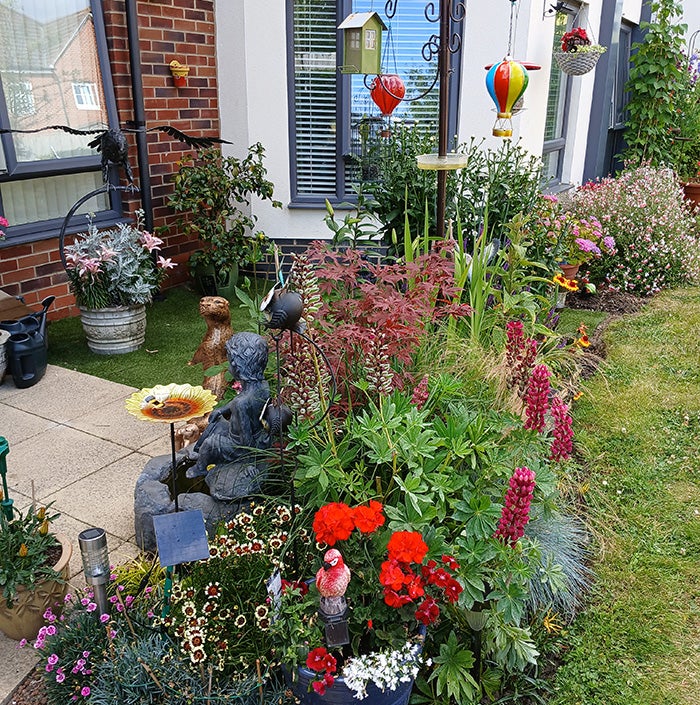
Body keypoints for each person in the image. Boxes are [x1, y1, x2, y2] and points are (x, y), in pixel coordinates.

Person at [186, 332, 271, 478]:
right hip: (257, 435)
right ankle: (197, 451)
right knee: (217, 422)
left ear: (236, 366)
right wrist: (221, 410)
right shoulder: (263, 386)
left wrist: (249, 462)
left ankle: (200, 468)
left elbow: (245, 440)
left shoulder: (241, 403)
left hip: (240, 447)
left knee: (210, 443)